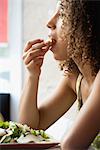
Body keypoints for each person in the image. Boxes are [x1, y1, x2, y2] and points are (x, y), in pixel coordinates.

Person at [19, 0, 100, 149]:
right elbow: (28, 131)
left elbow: (71, 145)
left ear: (87, 24)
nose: (49, 22)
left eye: (63, 13)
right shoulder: (74, 77)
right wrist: (32, 75)